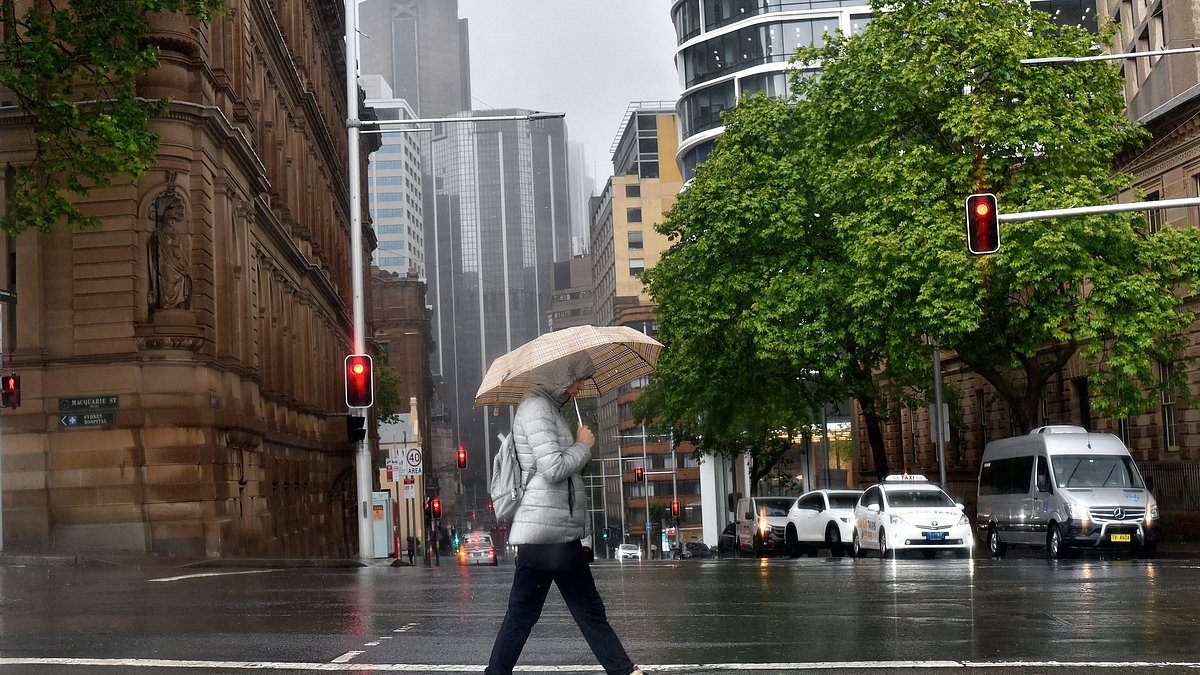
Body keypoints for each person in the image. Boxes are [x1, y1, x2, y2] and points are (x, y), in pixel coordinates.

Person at [485, 358, 644, 675]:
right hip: (547, 531)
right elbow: (553, 468)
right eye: (580, 378)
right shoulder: (536, 410)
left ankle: (623, 670)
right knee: (569, 610)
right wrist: (583, 446)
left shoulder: (548, 408)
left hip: (553, 528)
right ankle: (623, 670)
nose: (582, 386)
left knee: (545, 612)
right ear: (562, 376)